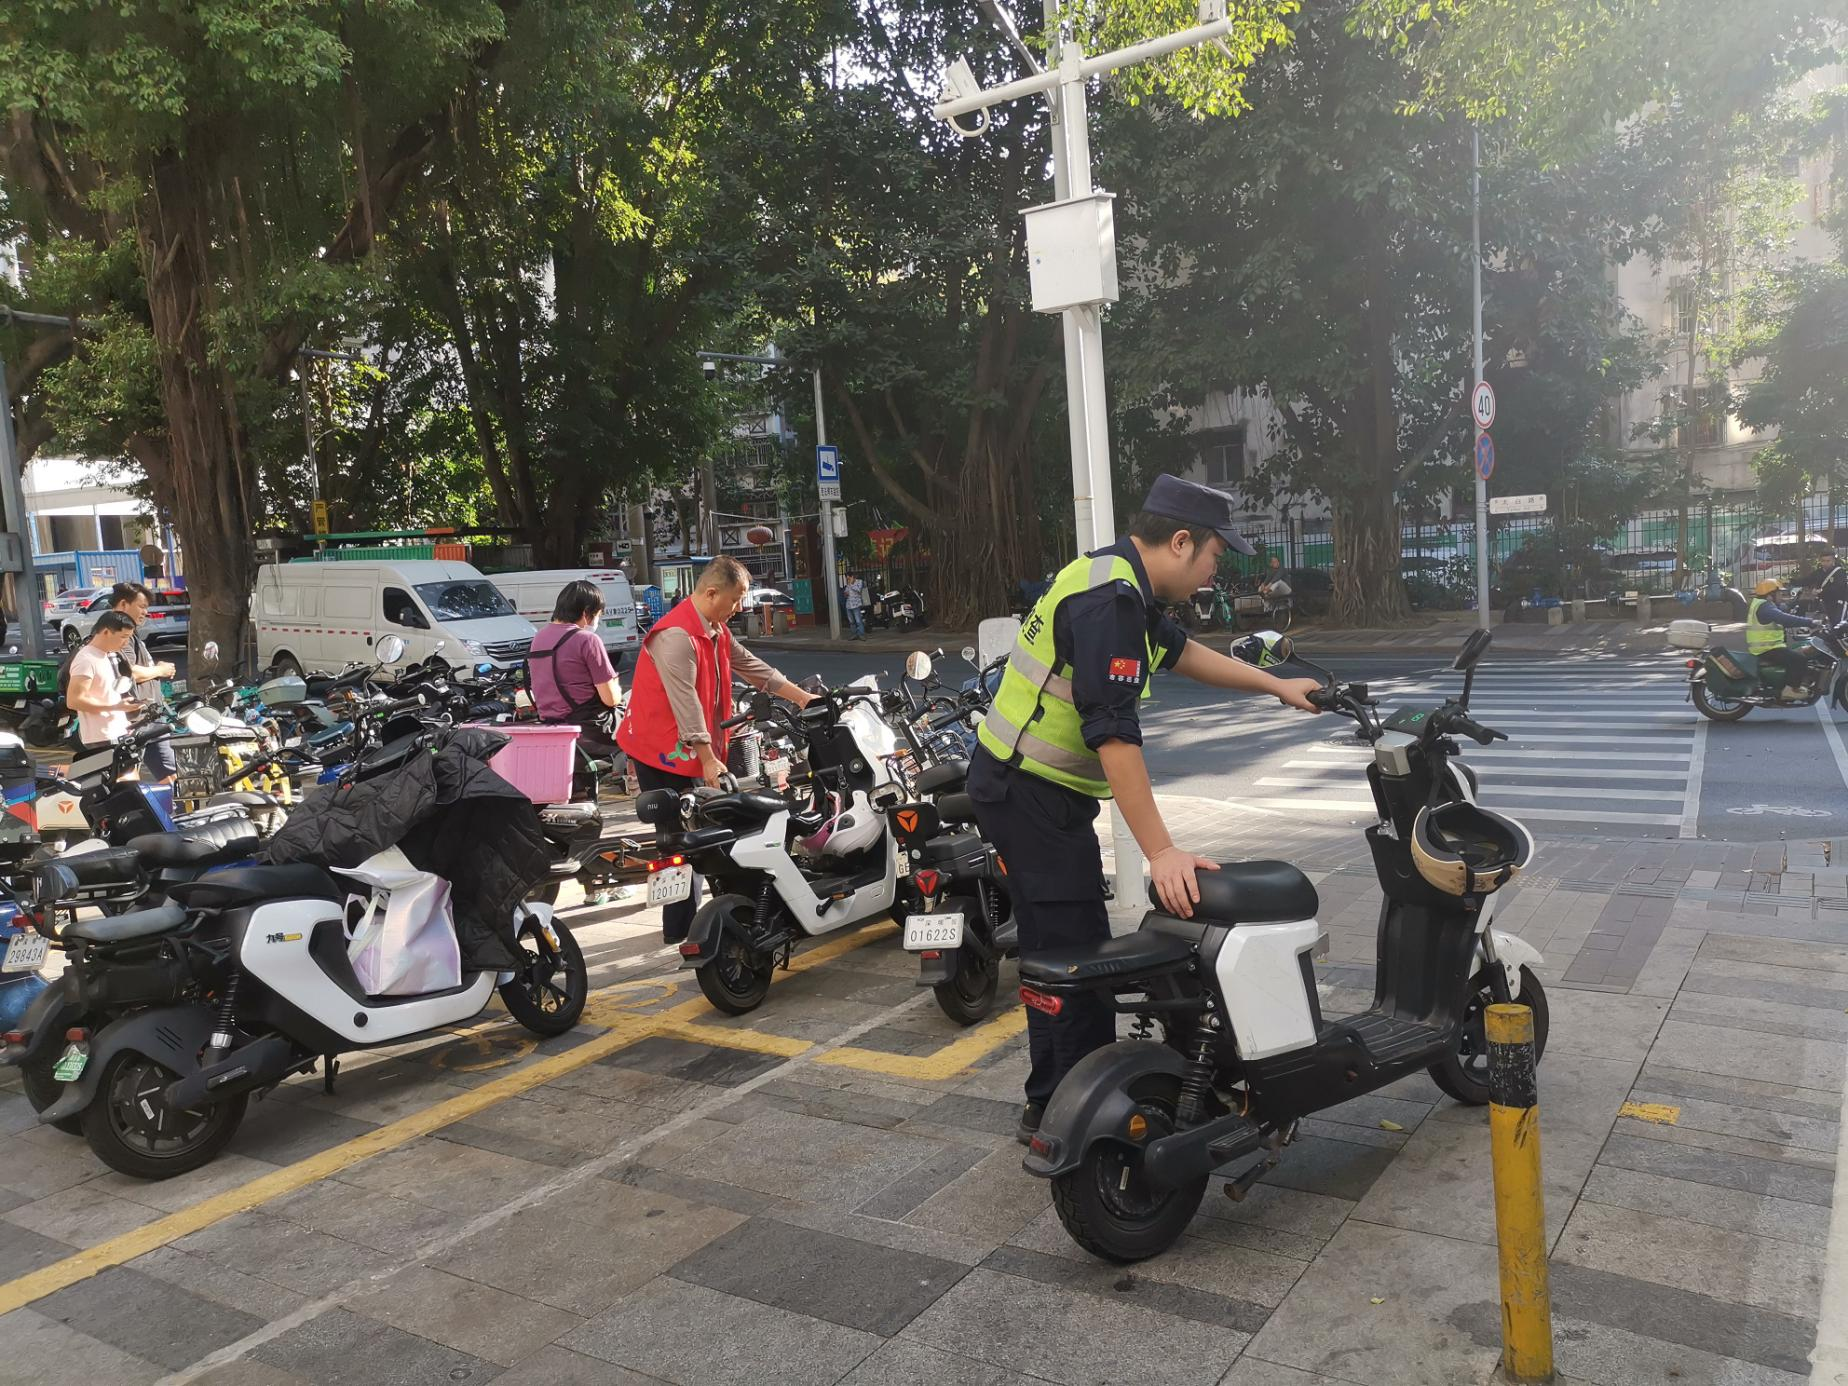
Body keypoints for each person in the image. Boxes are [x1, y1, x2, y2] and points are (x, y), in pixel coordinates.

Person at [970, 475, 1323, 1144]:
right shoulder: (1110, 602)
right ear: (1181, 541)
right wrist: (1161, 852)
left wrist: (1275, 686)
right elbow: (1113, 737)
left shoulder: (1116, 579)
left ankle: (1049, 1103)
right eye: (1215, 554)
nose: (1216, 570)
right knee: (1076, 964)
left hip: (1024, 788)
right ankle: (1078, 1123)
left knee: (1054, 952)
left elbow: (1182, 652)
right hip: (1030, 796)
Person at [617, 557, 818, 942]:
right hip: (659, 754)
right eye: (736, 598)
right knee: (681, 840)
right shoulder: (676, 636)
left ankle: (715, 920)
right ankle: (684, 932)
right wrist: (708, 760)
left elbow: (751, 667)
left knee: (705, 834)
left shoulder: (714, 629)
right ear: (711, 593)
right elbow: (686, 703)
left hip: (690, 751)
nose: (740, 607)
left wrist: (802, 698)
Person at [528, 580, 623, 758]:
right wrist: (616, 685)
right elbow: (611, 699)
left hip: (551, 728)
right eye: (598, 615)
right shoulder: (587, 640)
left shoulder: (538, 638)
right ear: (586, 612)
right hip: (589, 731)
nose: (597, 621)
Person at [108, 582, 179, 782]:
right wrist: (160, 670)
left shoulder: (130, 632)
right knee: (127, 777)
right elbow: (128, 672)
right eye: (141, 606)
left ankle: (173, 804)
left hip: (150, 716)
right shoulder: (118, 632)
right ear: (123, 604)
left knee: (171, 775)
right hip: (136, 720)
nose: (145, 612)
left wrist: (156, 669)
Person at [67, 611, 141, 756]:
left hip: (116, 732)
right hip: (101, 737)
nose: (126, 642)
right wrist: (115, 707)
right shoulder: (86, 659)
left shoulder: (105, 655)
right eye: (123, 637)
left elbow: (104, 694)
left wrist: (120, 709)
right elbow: (74, 700)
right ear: (106, 632)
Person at [1746, 578, 1816, 698]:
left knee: (1798, 651)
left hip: (1770, 647)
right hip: (1767, 649)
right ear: (1770, 595)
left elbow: (1784, 609)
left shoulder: (1764, 604)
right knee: (1798, 659)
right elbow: (1784, 618)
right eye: (1779, 593)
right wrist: (1810, 622)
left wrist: (1799, 600)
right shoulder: (1765, 608)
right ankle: (1790, 690)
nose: (1781, 596)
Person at [1800, 551, 1848, 626]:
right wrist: (1792, 582)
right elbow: (1807, 580)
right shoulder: (1819, 572)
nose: (1825, 563)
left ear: (1833, 560)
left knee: (1839, 625)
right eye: (1823, 561)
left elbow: (1837, 588)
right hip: (1826, 603)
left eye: (1828, 561)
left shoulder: (1840, 572)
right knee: (1830, 624)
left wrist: (1820, 591)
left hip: (1839, 602)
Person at [844, 575, 869, 640]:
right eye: (847, 579)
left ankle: (861, 634)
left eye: (849, 578)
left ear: (852, 576)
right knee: (851, 621)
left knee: (858, 621)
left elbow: (858, 590)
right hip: (848, 605)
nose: (848, 580)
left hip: (856, 605)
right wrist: (846, 594)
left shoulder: (859, 582)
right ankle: (854, 634)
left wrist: (851, 584)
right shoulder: (848, 584)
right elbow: (845, 593)